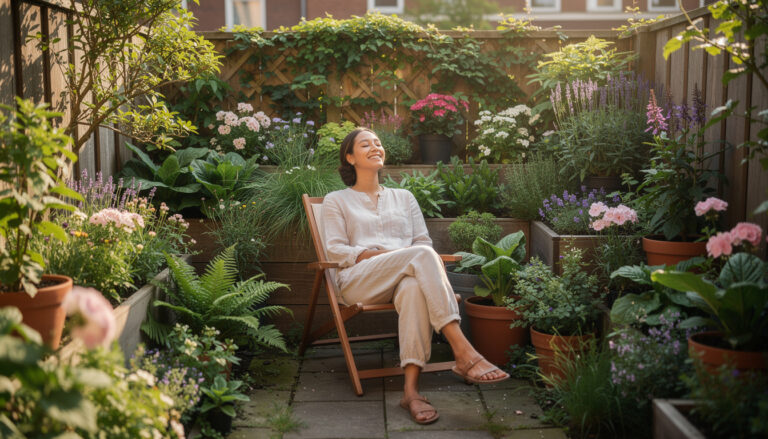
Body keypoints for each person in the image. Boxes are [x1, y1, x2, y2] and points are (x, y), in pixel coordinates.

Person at [321, 127, 509, 425]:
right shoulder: (336, 200)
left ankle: (410, 392)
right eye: (365, 144)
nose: (375, 147)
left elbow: (422, 242)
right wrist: (379, 254)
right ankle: (464, 352)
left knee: (412, 286)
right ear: (349, 157)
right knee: (420, 257)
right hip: (359, 280)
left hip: (403, 276)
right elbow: (334, 251)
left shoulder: (404, 197)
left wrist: (402, 257)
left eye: (378, 143)